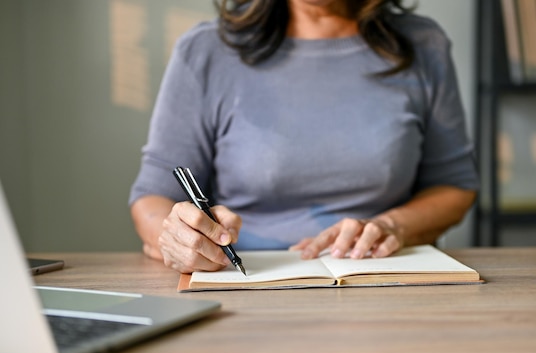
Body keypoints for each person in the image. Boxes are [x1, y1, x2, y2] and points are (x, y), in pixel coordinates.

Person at [129, 0, 479, 274]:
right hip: (244, 280)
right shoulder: (205, 51)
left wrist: (392, 226)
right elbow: (154, 197)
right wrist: (178, 238)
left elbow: (455, 185)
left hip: (381, 277)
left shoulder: (423, 45)